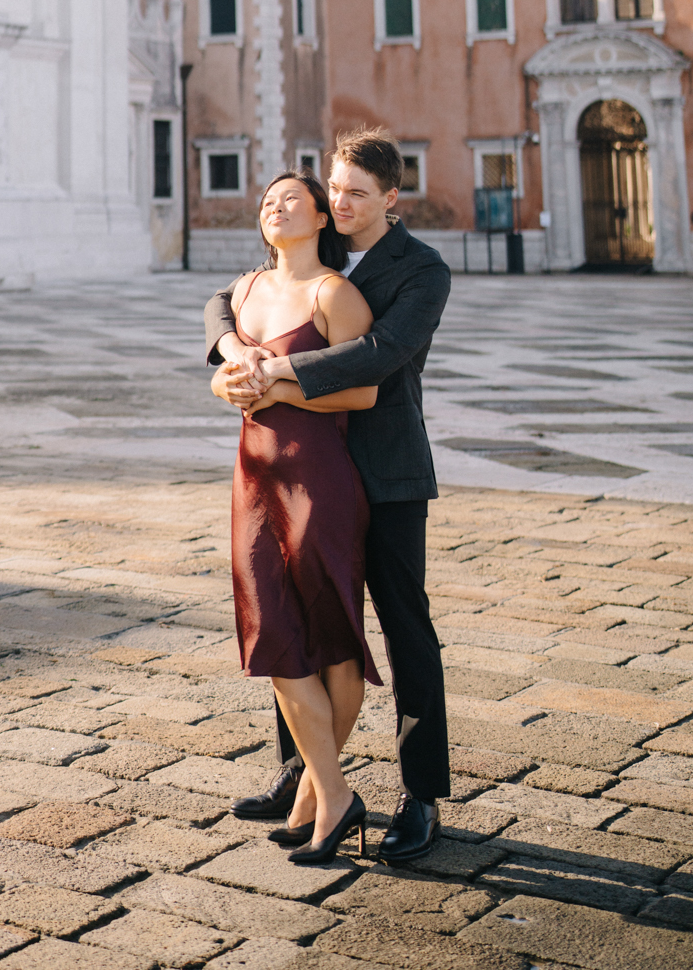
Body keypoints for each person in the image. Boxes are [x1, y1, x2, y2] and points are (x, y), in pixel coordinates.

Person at [207, 127, 452, 864]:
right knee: (301, 618)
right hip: (305, 468)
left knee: (406, 629)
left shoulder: (421, 270)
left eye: (357, 195)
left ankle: (421, 795)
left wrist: (271, 378)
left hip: (387, 470)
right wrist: (230, 357)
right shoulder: (320, 248)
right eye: (335, 189)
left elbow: (379, 357)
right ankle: (305, 775)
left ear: (391, 200)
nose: (341, 203)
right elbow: (226, 301)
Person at [213, 172, 380, 864]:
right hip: (254, 479)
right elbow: (220, 370)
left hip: (320, 482)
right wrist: (230, 378)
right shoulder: (246, 291)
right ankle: (327, 788)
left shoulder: (334, 294)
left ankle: (323, 795)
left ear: (319, 218)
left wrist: (277, 380)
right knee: (274, 633)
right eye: (266, 201)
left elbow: (364, 392)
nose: (273, 207)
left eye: (289, 199)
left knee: (331, 633)